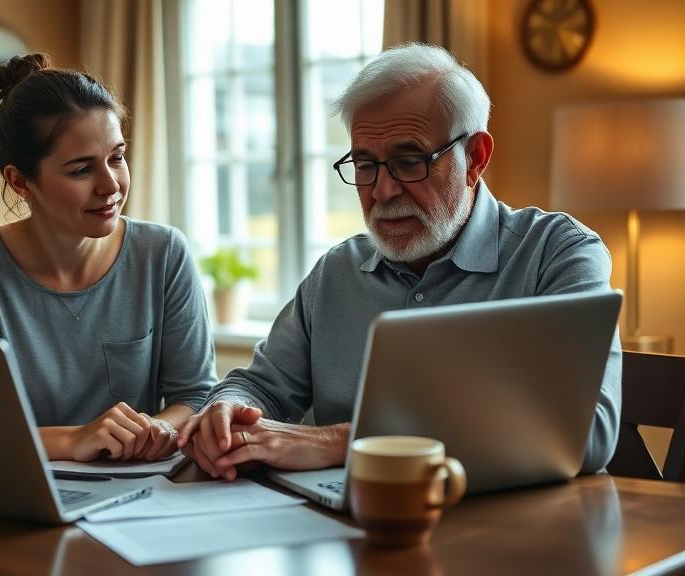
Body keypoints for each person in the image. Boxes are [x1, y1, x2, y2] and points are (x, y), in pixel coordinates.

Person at [178, 43, 621, 480]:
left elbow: (588, 434)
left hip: (512, 536)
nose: (383, 192)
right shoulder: (336, 271)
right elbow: (260, 388)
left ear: (475, 159)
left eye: (409, 162)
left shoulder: (557, 254)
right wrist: (226, 408)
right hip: (350, 532)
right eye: (365, 164)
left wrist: (341, 442)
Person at [0, 53, 216, 462]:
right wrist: (73, 440)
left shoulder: (164, 253)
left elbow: (197, 394)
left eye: (116, 157)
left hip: (140, 489)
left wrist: (158, 429)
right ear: (20, 181)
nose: (110, 185)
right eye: (81, 170)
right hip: (20, 492)